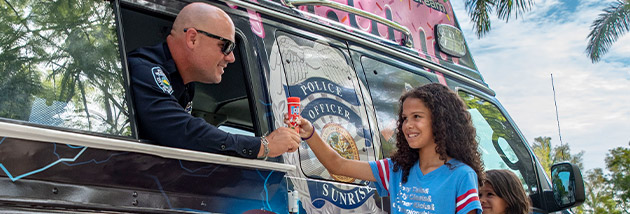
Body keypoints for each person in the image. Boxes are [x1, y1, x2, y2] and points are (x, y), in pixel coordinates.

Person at [126, 2, 300, 159]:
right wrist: (263, 146)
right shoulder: (144, 70)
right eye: (226, 46)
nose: (231, 57)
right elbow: (180, 130)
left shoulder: (185, 86)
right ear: (192, 38)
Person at [291, 83, 485, 214]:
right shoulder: (397, 169)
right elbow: (338, 165)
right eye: (405, 118)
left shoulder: (462, 176)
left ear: (442, 120)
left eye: (417, 116)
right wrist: (310, 133)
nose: (407, 125)